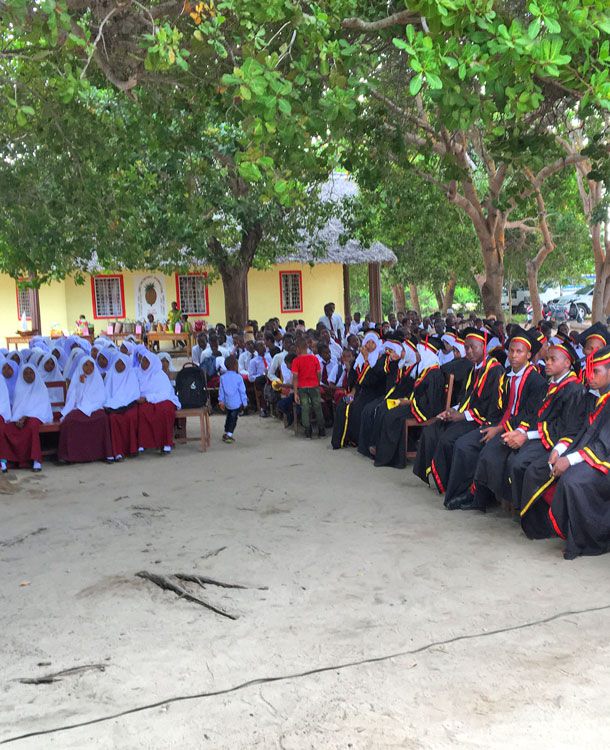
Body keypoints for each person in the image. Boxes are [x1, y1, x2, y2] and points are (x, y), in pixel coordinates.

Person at [445, 327, 547, 510]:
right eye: (511, 351)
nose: (514, 355)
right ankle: (461, 491)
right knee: (464, 444)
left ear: (529, 354)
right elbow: (500, 407)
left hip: (518, 430)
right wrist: (490, 424)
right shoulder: (507, 377)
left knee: (487, 452)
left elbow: (528, 415)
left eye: (519, 352)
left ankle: (478, 498)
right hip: (499, 423)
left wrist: (499, 429)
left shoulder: (537, 381)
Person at [413, 328, 504, 494]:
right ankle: (440, 479)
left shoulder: (495, 370)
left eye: (473, 347)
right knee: (433, 429)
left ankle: (451, 485)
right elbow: (464, 398)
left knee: (448, 438)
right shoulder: (473, 368)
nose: (469, 352)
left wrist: (462, 415)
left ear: (483, 347)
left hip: (481, 420)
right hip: (465, 414)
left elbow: (491, 407)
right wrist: (450, 411)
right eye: (467, 347)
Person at [509, 340, 585, 523]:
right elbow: (538, 415)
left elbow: (565, 427)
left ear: (567, 363)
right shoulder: (551, 384)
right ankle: (521, 509)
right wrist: (521, 431)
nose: (547, 362)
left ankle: (537, 519)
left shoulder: (573, 388)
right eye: (547, 358)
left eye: (553, 359)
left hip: (559, 441)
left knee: (525, 465)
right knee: (512, 456)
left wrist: (529, 435)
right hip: (545, 436)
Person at [546, 345, 610, 558]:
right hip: (592, 455)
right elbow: (578, 430)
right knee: (562, 471)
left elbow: (603, 445)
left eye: (596, 371)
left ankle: (590, 540)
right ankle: (574, 535)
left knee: (573, 480)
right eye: (588, 371)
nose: (590, 376)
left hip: (605, 460)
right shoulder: (593, 397)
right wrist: (560, 449)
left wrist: (570, 461)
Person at [59, 357, 113, 463]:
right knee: (70, 420)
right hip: (79, 407)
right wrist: (81, 384)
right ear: (81, 366)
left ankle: (104, 454)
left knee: (102, 418)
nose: (89, 368)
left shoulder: (97, 378)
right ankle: (69, 456)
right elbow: (74, 400)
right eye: (86, 365)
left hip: (95, 408)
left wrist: (91, 407)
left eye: (91, 365)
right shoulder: (77, 378)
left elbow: (101, 398)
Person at [0, 365, 52, 472]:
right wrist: (18, 418)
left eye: (31, 373)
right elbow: (17, 407)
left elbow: (42, 408)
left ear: (35, 374)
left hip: (36, 417)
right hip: (19, 418)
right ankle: (9, 460)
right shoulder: (19, 388)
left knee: (32, 427)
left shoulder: (41, 388)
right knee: (7, 428)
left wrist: (26, 416)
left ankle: (36, 461)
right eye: (25, 373)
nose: (28, 375)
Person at [136, 353, 181, 454]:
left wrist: (148, 397)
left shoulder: (160, 374)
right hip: (145, 400)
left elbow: (164, 393)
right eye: (143, 361)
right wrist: (143, 398)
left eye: (147, 361)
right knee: (143, 411)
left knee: (165, 411)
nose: (143, 363)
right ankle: (144, 443)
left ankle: (166, 443)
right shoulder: (138, 373)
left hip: (163, 399)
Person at [104, 353, 141, 460]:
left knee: (130, 417)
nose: (119, 366)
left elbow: (134, 393)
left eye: (122, 364)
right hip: (113, 405)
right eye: (117, 363)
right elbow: (106, 394)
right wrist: (112, 403)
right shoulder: (110, 375)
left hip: (129, 404)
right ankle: (118, 451)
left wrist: (124, 403)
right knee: (113, 418)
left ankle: (132, 449)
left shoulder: (130, 375)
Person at [292, 339, 325, 438]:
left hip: (302, 387)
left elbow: (295, 377)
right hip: (314, 386)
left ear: (298, 349)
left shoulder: (296, 361)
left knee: (305, 408)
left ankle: (308, 429)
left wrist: (295, 393)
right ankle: (321, 429)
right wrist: (317, 383)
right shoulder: (314, 358)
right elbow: (319, 373)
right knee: (317, 407)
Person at [218, 355, 248, 443]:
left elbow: (221, 391)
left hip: (227, 402)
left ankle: (226, 431)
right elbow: (242, 391)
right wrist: (245, 402)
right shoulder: (239, 377)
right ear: (235, 366)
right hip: (237, 402)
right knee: (233, 419)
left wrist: (221, 401)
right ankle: (229, 434)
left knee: (229, 416)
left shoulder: (222, 378)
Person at [248, 342, 272, 417]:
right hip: (261, 380)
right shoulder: (253, 361)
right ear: (256, 349)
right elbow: (251, 377)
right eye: (260, 346)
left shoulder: (269, 357)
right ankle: (263, 409)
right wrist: (262, 375)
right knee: (263, 385)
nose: (263, 347)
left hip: (270, 377)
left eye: (263, 345)